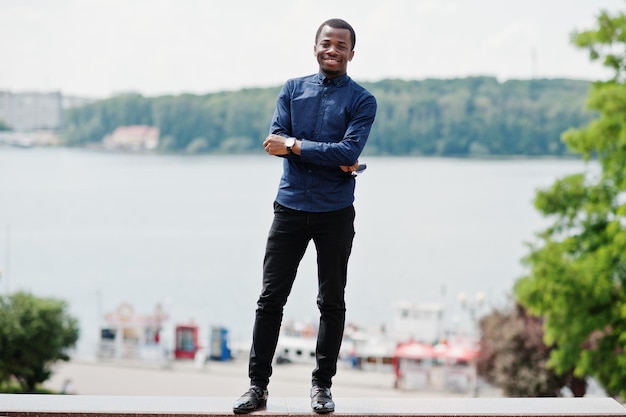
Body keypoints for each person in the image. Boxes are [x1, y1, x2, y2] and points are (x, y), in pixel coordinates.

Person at [233, 18, 377, 414]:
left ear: (352, 52)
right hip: (290, 208)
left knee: (331, 301)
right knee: (269, 300)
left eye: (341, 45)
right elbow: (271, 142)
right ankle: (257, 386)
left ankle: (322, 388)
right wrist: (325, 154)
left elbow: (347, 152)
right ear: (315, 47)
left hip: (335, 213)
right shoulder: (293, 90)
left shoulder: (363, 100)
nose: (333, 50)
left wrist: (295, 145)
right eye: (326, 43)